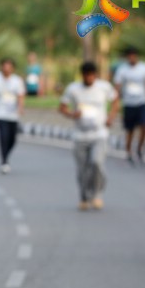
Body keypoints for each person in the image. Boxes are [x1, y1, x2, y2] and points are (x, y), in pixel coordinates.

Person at [59, 61, 119, 211]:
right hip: (80, 135)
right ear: (82, 76)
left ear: (95, 75)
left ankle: (97, 194)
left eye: (92, 75)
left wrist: (111, 117)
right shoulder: (73, 89)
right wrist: (72, 114)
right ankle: (84, 196)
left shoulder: (104, 87)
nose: (89, 78)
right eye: (86, 76)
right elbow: (62, 107)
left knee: (96, 162)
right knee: (82, 168)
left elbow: (115, 101)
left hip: (99, 134)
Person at [113, 47, 145, 165]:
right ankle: (129, 151)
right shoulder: (122, 70)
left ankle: (139, 148)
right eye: (129, 56)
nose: (132, 58)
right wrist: (115, 101)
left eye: (133, 55)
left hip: (141, 102)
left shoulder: (144, 68)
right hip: (128, 103)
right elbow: (117, 86)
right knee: (130, 130)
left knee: (144, 126)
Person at [0, 57, 25, 174]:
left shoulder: (17, 81)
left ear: (12, 68)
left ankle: (6, 155)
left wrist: (21, 107)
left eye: (9, 66)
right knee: (3, 136)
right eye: (4, 66)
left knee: (12, 139)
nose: (6, 68)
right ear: (1, 67)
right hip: (0, 112)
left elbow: (20, 96)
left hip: (13, 113)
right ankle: (4, 161)